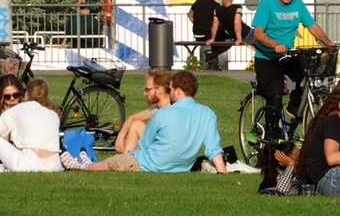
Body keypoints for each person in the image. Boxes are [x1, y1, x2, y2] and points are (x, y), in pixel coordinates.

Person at [65, 70, 228, 173]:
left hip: (149, 164)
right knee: (117, 160)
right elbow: (213, 148)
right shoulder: (207, 114)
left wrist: (125, 153)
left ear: (178, 91)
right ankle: (86, 162)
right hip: (179, 167)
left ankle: (81, 166)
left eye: (170, 90)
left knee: (110, 163)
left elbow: (144, 145)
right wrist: (222, 171)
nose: (169, 93)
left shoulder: (163, 114)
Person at [248, 0, 332, 138]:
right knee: (275, 97)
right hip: (267, 57)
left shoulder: (298, 4)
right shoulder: (267, 3)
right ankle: (271, 137)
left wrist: (328, 43)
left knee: (308, 78)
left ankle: (293, 108)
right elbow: (258, 34)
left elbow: (313, 27)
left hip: (288, 55)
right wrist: (275, 45)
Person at [0, 77, 62, 172]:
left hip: (29, 164)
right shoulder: (53, 114)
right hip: (54, 166)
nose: (12, 99)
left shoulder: (19, 108)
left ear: (26, 93)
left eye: (16, 95)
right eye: (7, 96)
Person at [113, 69, 172, 154]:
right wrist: (121, 136)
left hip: (165, 153)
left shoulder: (172, 109)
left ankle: (125, 159)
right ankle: (126, 158)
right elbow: (132, 117)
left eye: (147, 90)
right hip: (160, 149)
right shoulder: (157, 108)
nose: (144, 93)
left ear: (160, 90)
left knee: (136, 126)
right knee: (136, 124)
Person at [187, 0, 221, 70]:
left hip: (197, 35)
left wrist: (197, 23)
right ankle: (213, 57)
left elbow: (189, 15)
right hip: (208, 36)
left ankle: (211, 58)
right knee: (221, 36)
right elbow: (218, 22)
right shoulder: (215, 5)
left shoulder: (197, 2)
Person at [210, 0, 244, 70]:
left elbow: (215, 25)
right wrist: (239, 38)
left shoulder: (218, 10)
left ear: (223, 0)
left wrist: (212, 38)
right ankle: (213, 56)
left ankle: (213, 56)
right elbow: (237, 23)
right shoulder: (237, 8)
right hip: (241, 33)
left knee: (227, 43)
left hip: (227, 35)